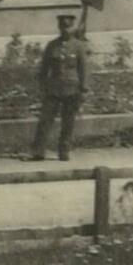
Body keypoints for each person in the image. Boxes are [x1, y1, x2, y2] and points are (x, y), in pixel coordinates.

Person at [30, 14, 89, 162]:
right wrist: (42, 85)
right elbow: (44, 68)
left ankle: (64, 151)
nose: (66, 30)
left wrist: (84, 89)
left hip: (72, 89)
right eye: (63, 27)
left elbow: (83, 69)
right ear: (59, 28)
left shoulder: (79, 46)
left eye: (68, 27)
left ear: (73, 28)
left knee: (68, 122)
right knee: (45, 120)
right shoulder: (52, 46)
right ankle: (39, 151)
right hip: (53, 89)